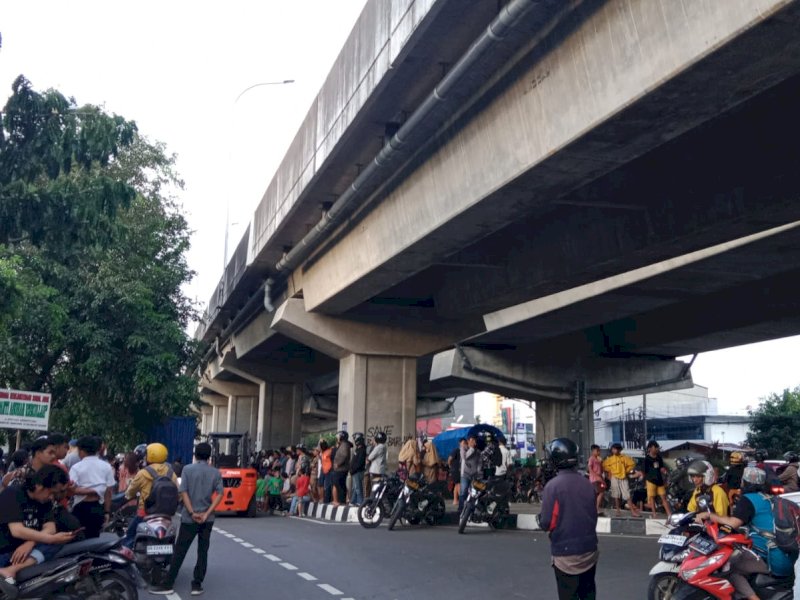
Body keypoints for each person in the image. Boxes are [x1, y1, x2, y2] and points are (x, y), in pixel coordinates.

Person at [695, 466, 793, 600]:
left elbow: (732, 523)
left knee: (728, 569)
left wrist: (708, 515)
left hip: (772, 559)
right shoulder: (769, 498)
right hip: (787, 557)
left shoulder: (748, 499)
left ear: (744, 482)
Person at [150, 442, 223, 596]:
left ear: (195, 455)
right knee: (203, 551)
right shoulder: (215, 472)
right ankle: (197, 584)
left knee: (180, 550)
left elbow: (183, 492)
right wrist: (206, 513)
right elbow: (220, 494)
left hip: (189, 518)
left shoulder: (187, 469)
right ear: (209, 456)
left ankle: (168, 583)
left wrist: (192, 512)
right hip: (207, 519)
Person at [538, 438, 598, 600]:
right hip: (590, 551)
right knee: (588, 594)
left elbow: (547, 523)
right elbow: (593, 516)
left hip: (566, 556)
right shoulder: (587, 484)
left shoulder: (552, 487)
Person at [0, 465, 77, 590]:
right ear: (40, 486)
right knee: (52, 541)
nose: (52, 497)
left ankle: (10, 570)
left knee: (56, 543)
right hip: (4, 550)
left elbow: (50, 528)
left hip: (25, 551)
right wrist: (49, 539)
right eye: (51, 492)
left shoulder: (45, 502)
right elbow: (17, 530)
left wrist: (31, 542)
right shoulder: (13, 494)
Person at [122, 442, 177, 548]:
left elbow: (130, 492)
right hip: (166, 514)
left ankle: (125, 556)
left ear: (149, 456)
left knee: (130, 534)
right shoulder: (171, 473)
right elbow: (177, 493)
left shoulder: (143, 473)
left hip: (145, 512)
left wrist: (129, 495)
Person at [68, 436, 115, 538]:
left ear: (81, 451)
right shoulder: (106, 466)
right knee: (94, 539)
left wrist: (85, 490)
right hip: (97, 508)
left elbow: (71, 489)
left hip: (80, 508)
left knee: (79, 539)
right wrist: (107, 512)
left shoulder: (76, 468)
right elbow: (108, 492)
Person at [602, 443, 640, 517]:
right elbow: (604, 465)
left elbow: (632, 464)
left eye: (615, 449)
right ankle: (618, 511)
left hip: (623, 477)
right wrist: (611, 470)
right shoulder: (610, 459)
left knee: (627, 494)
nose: (614, 450)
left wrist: (626, 470)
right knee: (616, 495)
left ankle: (633, 512)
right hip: (614, 478)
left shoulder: (624, 457)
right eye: (613, 449)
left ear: (619, 450)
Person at [642, 441, 671, 519]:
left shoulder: (659, 457)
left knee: (664, 497)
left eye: (658, 447)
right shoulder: (646, 459)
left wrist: (664, 471)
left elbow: (661, 467)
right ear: (650, 448)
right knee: (652, 498)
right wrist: (644, 481)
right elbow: (644, 471)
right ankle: (654, 514)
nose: (657, 449)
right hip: (651, 480)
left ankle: (669, 514)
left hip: (659, 481)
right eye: (656, 447)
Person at [459, 433, 480, 515]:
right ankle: (461, 509)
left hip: (474, 475)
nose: (474, 443)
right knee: (463, 491)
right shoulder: (463, 448)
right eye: (472, 441)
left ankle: (471, 509)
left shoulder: (477, 451)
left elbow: (479, 462)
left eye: (475, 441)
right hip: (465, 474)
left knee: (473, 493)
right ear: (468, 441)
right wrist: (471, 449)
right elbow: (464, 457)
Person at [331, 431, 351, 506]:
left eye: (338, 436)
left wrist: (338, 464)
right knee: (339, 484)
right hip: (340, 469)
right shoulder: (342, 444)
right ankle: (341, 501)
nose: (337, 438)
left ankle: (341, 501)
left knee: (340, 485)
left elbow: (344, 455)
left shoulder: (345, 445)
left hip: (341, 469)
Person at [349, 433, 366, 507]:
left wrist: (353, 470)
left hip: (358, 472)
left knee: (358, 488)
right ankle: (353, 501)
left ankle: (360, 502)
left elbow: (359, 463)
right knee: (355, 488)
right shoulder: (358, 449)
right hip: (355, 471)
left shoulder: (362, 450)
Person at [587, 445, 605, 515]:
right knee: (600, 492)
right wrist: (596, 477)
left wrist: (601, 463)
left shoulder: (598, 459)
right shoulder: (591, 458)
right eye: (597, 451)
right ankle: (596, 508)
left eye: (599, 450)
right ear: (593, 451)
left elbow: (602, 470)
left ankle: (596, 508)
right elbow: (590, 469)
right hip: (595, 479)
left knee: (599, 492)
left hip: (599, 478)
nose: (599, 452)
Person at [448, 439, 464, 504]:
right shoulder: (457, 450)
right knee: (459, 484)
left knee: (456, 485)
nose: (464, 444)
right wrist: (450, 466)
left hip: (458, 470)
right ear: (459, 443)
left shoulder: (464, 451)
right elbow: (450, 459)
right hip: (456, 470)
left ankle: (455, 500)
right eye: (463, 443)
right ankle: (461, 500)